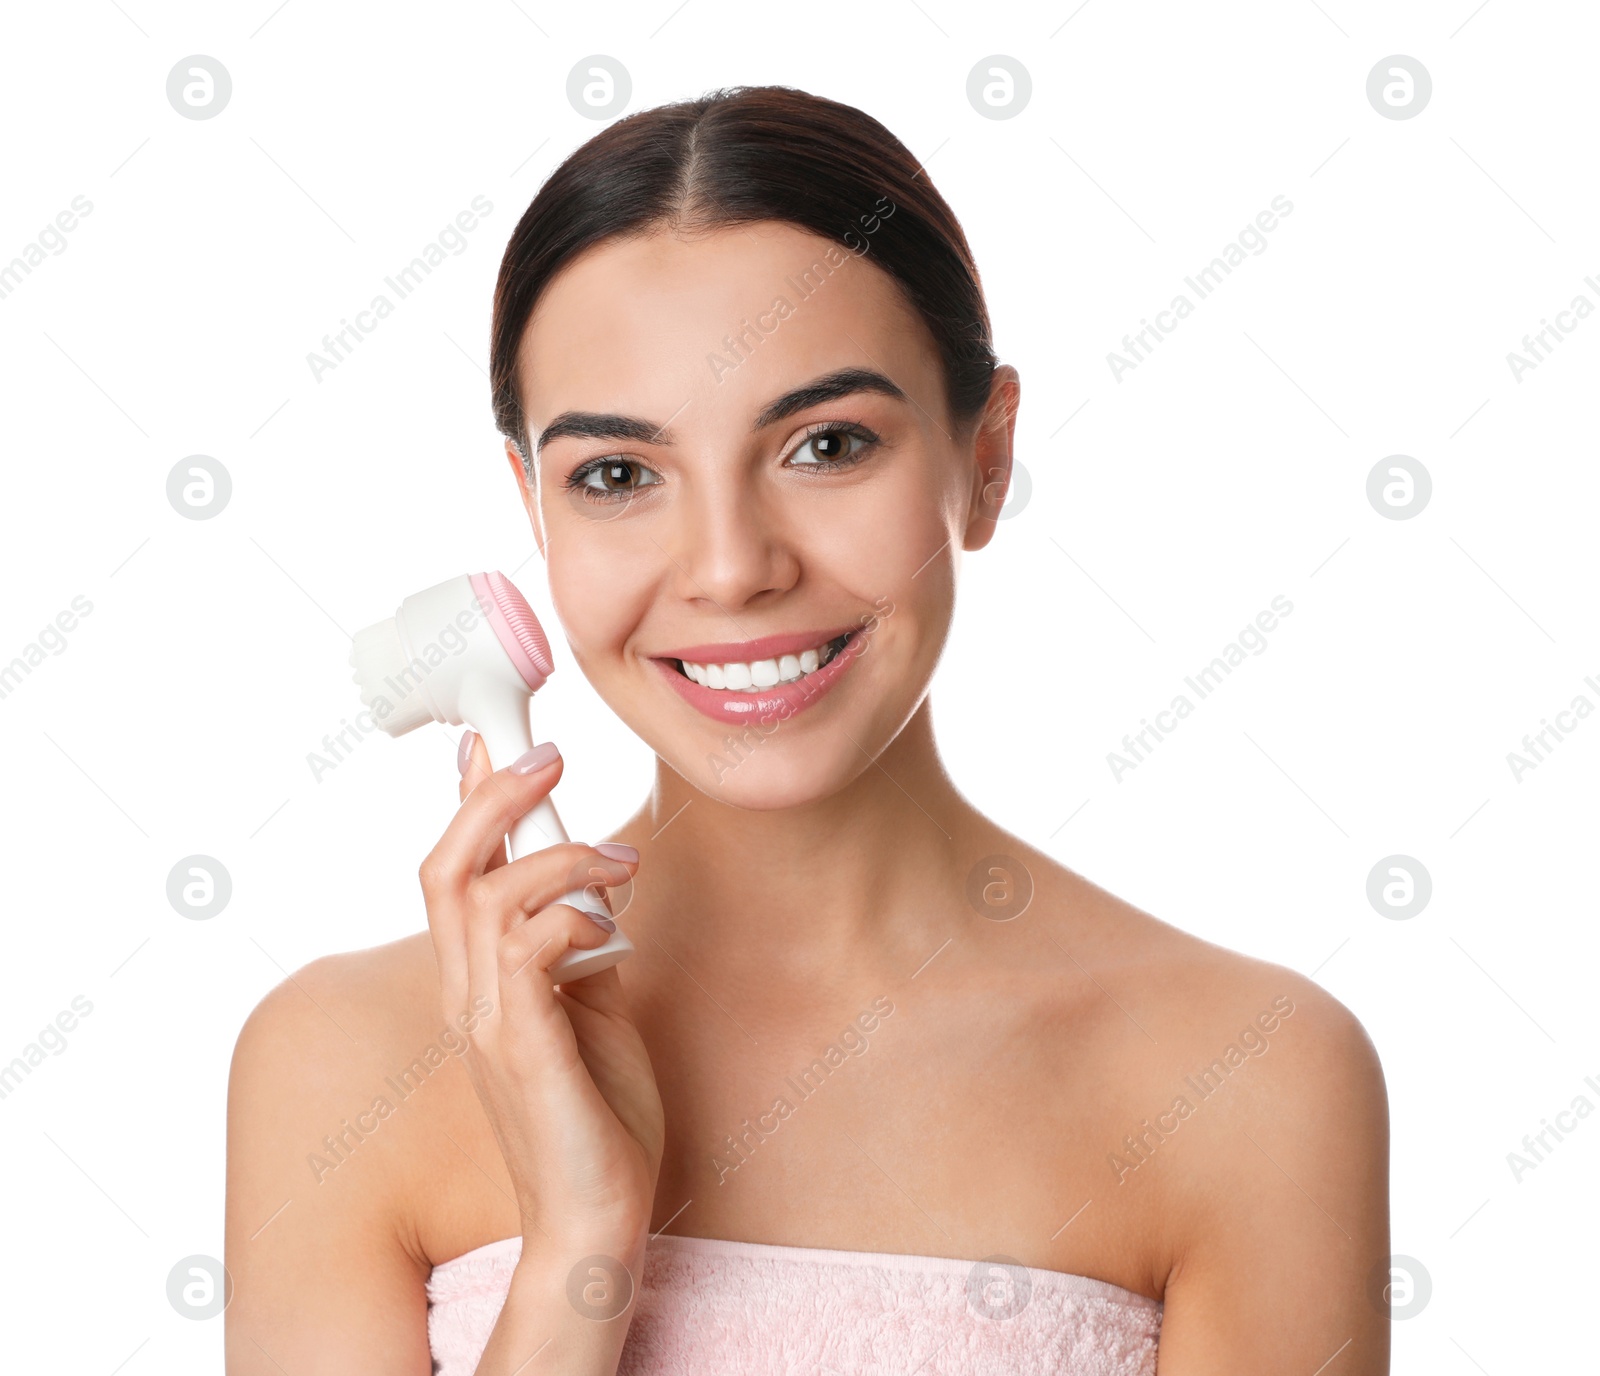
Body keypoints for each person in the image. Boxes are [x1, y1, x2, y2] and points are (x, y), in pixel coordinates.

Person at [225, 85, 1389, 1374]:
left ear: (985, 457)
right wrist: (578, 1246)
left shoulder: (1253, 1081)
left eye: (827, 444)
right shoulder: (337, 1066)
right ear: (532, 506)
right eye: (617, 476)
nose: (730, 569)